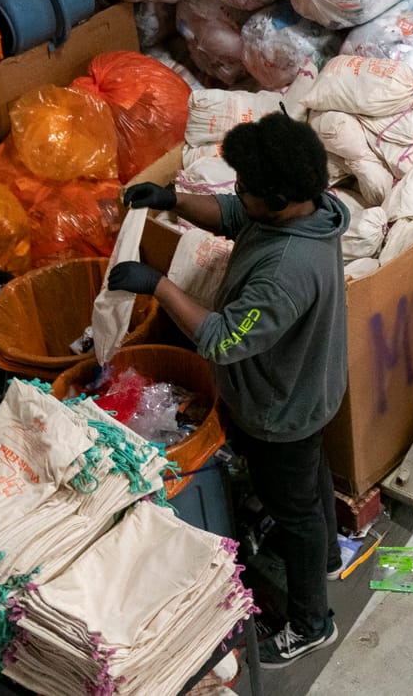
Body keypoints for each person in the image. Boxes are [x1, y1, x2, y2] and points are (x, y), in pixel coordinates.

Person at [117, 112, 350, 668]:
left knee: (292, 507)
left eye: (246, 186)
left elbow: (221, 341)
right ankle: (325, 559)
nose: (236, 193)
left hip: (280, 406)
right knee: (307, 482)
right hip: (309, 388)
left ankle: (311, 623)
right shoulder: (308, 212)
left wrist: (159, 284)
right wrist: (170, 199)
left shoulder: (285, 272)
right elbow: (230, 215)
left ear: (277, 196)